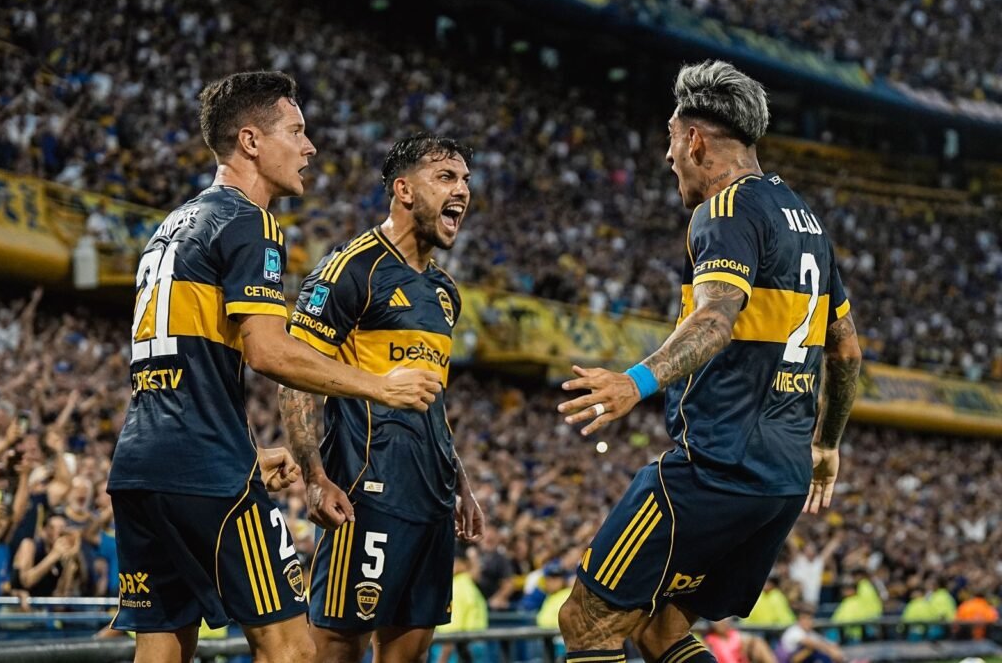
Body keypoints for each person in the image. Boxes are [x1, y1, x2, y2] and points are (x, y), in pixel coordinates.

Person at [106, 72, 443, 663]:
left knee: (162, 648)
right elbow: (269, 352)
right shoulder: (249, 221)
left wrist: (246, 451)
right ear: (251, 141)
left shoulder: (171, 226)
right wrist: (379, 386)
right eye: (296, 131)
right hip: (204, 468)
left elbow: (185, 368)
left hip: (140, 467)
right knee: (292, 650)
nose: (309, 147)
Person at [555, 60, 862, 663]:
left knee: (586, 622)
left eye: (671, 140)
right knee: (661, 633)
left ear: (694, 139)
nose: (668, 157)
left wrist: (635, 381)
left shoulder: (724, 211)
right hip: (782, 480)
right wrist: (827, 444)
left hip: (717, 468)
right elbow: (847, 349)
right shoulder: (807, 223)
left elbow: (717, 319)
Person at [278, 132, 484, 663]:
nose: (462, 190)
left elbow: (432, 399)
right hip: (366, 491)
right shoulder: (351, 268)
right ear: (404, 190)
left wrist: (460, 481)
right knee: (336, 648)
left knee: (410, 652)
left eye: (465, 179)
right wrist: (314, 476)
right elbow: (293, 375)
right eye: (446, 177)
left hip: (432, 498)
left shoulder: (445, 292)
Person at [779, 603, 846, 663]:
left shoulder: (810, 633)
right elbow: (812, 643)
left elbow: (825, 642)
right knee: (811, 649)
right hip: (786, 661)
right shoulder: (794, 631)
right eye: (805, 619)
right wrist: (831, 651)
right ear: (799, 620)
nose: (808, 622)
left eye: (810, 619)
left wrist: (834, 649)